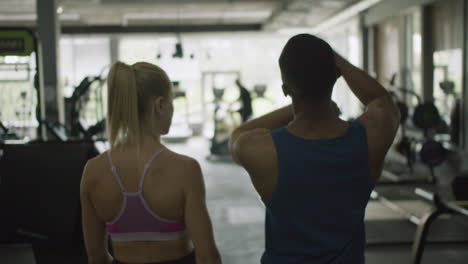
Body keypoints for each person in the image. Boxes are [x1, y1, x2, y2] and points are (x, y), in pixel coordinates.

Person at [230, 34, 400, 263]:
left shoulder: (261, 150)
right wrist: (339, 63)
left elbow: (238, 134)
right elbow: (380, 100)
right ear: (335, 76)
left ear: (285, 89)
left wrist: (297, 100)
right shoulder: (368, 138)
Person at [80, 62, 221, 264]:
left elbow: (96, 256)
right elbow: (208, 257)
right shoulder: (185, 170)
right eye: (172, 103)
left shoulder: (93, 171)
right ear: (161, 105)